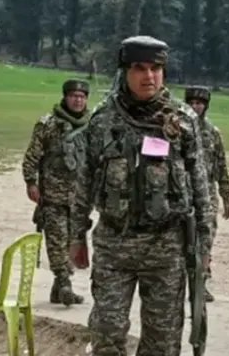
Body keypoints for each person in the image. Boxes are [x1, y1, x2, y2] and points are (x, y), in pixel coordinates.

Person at [70, 35, 214, 356]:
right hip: (114, 244)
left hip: (166, 247)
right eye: (140, 68)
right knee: (107, 333)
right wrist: (76, 235)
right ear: (125, 71)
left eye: (155, 69)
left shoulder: (183, 121)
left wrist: (204, 246)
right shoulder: (103, 120)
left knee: (162, 342)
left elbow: (201, 188)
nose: (149, 76)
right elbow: (84, 181)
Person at [22, 78, 91, 306]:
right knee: (56, 240)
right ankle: (64, 284)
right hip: (52, 195)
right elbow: (32, 156)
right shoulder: (48, 124)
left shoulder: (91, 127)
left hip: (79, 199)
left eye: (82, 97)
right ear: (65, 97)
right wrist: (31, 183)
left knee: (72, 242)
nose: (78, 101)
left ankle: (57, 289)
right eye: (73, 96)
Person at [184, 85, 229, 302]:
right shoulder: (178, 130)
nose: (195, 107)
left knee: (206, 237)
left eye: (199, 103)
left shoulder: (212, 133)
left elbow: (221, 166)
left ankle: (200, 283)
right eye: (192, 103)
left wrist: (226, 197)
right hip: (183, 191)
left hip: (207, 194)